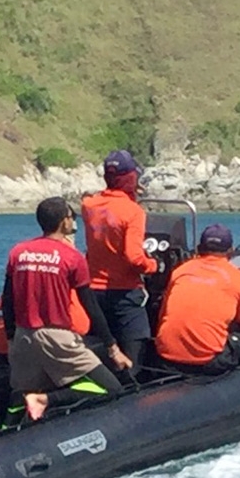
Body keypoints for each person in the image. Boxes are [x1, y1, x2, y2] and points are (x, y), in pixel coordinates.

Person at [2, 196, 132, 420]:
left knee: (20, 397)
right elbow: (90, 305)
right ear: (64, 222)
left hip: (24, 336)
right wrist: (113, 348)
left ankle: (4, 437)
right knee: (111, 389)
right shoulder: (72, 257)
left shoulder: (18, 252)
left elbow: (8, 299)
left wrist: (12, 336)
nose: (74, 223)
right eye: (72, 218)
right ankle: (47, 401)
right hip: (57, 337)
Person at [154, 224, 240, 375]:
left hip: (165, 357)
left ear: (199, 248)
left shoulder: (180, 271)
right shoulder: (239, 278)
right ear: (231, 251)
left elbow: (163, 314)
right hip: (208, 362)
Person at [81, 149, 159, 370]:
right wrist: (154, 265)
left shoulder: (88, 206)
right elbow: (134, 257)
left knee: (102, 349)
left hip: (93, 291)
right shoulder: (133, 212)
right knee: (134, 355)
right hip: (124, 292)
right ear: (131, 178)